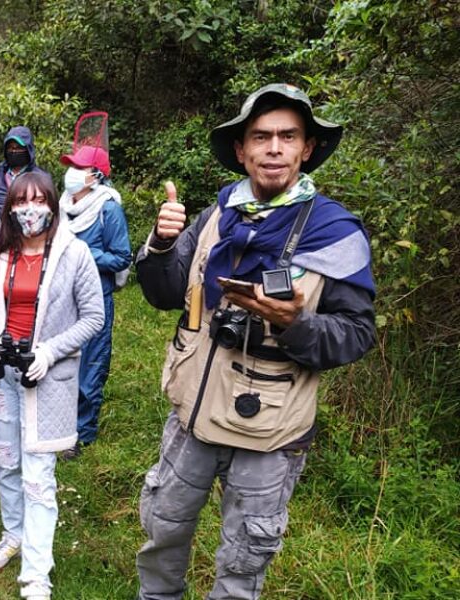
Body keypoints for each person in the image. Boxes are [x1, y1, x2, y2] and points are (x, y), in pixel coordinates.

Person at [134, 83, 376, 599]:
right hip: (192, 417)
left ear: (306, 148)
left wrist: (296, 324)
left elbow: (357, 334)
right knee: (162, 534)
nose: (273, 148)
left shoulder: (335, 234)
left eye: (287, 136)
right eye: (260, 136)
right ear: (242, 150)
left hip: (271, 433)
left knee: (243, 566)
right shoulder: (216, 216)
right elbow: (166, 293)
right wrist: (160, 245)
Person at [0, 172, 103, 600]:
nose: (30, 209)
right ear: (8, 208)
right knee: (7, 464)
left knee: (39, 477)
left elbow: (93, 317)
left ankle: (36, 573)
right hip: (2, 377)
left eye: (39, 199)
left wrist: (49, 351)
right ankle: (14, 535)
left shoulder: (74, 253)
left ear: (52, 204)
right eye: (21, 201)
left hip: (46, 379)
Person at [57, 145, 132, 458]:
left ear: (96, 175)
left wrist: (84, 254)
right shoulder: (62, 205)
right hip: (63, 294)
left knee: (90, 365)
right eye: (71, 165)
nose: (72, 172)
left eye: (80, 167)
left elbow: (121, 256)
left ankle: (81, 433)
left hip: (94, 297)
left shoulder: (107, 209)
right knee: (62, 360)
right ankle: (58, 425)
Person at [0, 126, 52, 216]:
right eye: (10, 147)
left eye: (18, 147)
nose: (14, 151)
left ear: (28, 149)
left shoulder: (42, 178)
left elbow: (50, 211)